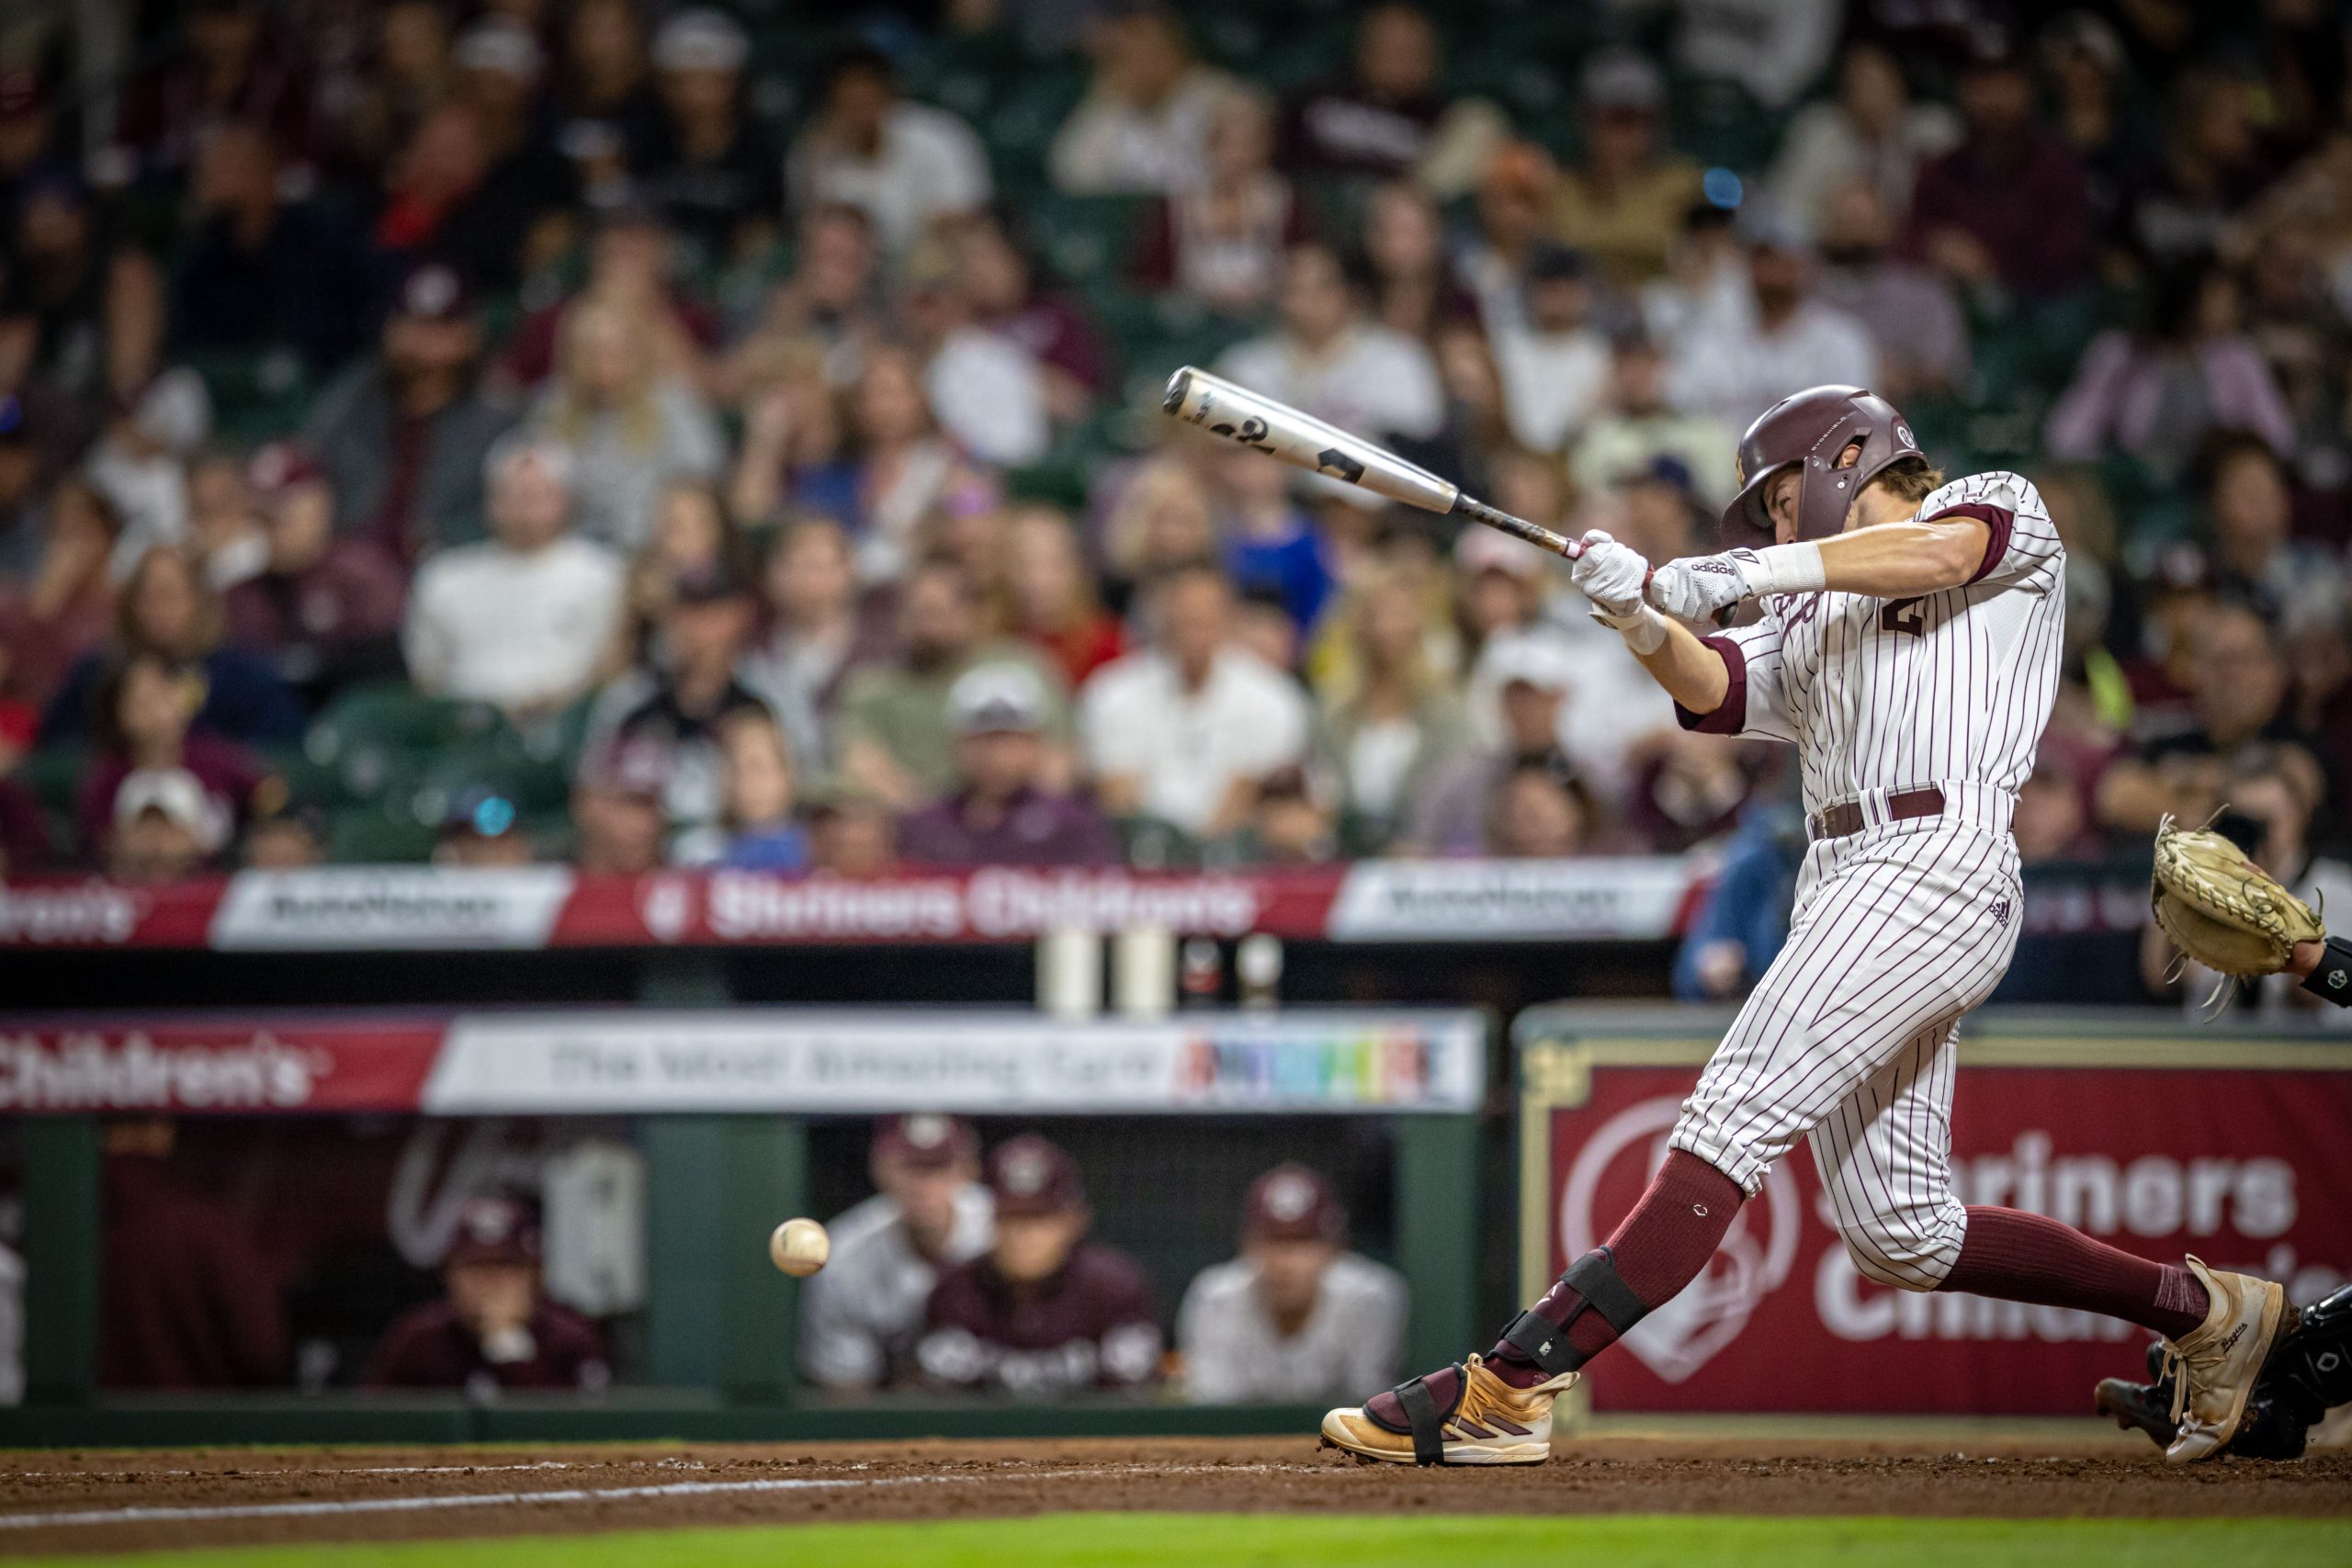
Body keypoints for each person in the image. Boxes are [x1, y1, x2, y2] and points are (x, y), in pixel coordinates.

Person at [1320, 384, 2284, 1466]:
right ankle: (2209, 1314)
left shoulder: (1992, 506)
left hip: (1934, 859)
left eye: (1780, 502)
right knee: (1899, 1230)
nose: (1775, 527)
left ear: (1846, 459)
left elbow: (1932, 559)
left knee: (1728, 1119)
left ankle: (1510, 1384)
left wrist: (1732, 573)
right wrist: (1641, 620)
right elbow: (1719, 691)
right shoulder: (1810, 604)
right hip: (1841, 874)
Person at [917, 1134, 1161, 1397]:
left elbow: (1131, 1402)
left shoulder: (1114, 1290)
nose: (1024, 1236)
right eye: (1011, 1218)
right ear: (988, 1219)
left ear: (1074, 1221)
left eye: (1040, 1218)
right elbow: (943, 1408)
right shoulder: (954, 1292)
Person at [1080, 563, 1312, 839]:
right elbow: (1117, 795)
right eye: (1185, 619)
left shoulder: (1274, 699)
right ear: (1162, 618)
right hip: (1142, 855)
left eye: (1206, 620)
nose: (1195, 633)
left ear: (1229, 620)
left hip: (1242, 860)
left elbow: (1255, 794)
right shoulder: (1112, 693)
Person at [304, 263, 517, 562]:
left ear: (470, 333)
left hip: (449, 570)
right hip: (344, 563)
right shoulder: (352, 398)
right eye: (415, 325)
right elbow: (309, 467)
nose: (426, 342)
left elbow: (496, 514)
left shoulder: (497, 416)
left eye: (442, 327)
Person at [402, 434, 627, 714]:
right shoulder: (444, 577)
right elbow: (427, 674)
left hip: (563, 726)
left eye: (536, 495)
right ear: (490, 499)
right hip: (464, 728)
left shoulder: (602, 573)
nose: (524, 509)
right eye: (512, 494)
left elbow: (608, 671)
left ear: (565, 500)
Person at [576, 561, 776, 864]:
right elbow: (592, 792)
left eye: (714, 612)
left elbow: (794, 792)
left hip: (743, 859)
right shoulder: (629, 699)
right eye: (689, 612)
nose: (701, 628)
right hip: (646, 860)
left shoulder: (769, 695)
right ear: (669, 618)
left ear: (739, 617)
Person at [836, 558, 1069, 809]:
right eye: (915, 613)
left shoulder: (1019, 666)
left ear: (970, 613)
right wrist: (937, 822)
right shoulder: (872, 688)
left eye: (936, 612)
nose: (926, 626)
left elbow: (1059, 757)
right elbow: (861, 765)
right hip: (912, 824)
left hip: (1020, 818)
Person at [1179, 1165, 1406, 1405]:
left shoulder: (1368, 1299)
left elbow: (1371, 1408)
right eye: (1273, 1240)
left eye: (1303, 1241)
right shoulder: (1215, 1300)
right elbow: (1214, 1413)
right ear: (1247, 1245)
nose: (1285, 1261)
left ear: (1334, 1247)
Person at [1216, 243, 1443, 479]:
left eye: (1322, 287)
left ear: (1352, 294)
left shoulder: (1400, 359)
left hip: (1377, 499)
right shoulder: (1246, 366)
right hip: (1282, 505)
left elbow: (1422, 451)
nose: (1308, 300)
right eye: (1294, 289)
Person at [801, 1114, 993, 1392]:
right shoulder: (846, 1256)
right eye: (910, 1166)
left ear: (968, 1170)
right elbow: (846, 1391)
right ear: (880, 1169)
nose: (924, 1184)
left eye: (939, 1166)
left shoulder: (1003, 1230)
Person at [41, 543, 304, 746]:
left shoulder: (242, 677)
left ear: (198, 600)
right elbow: (58, 745)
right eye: (146, 596)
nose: (158, 609)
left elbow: (281, 746)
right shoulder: (100, 675)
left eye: (169, 595)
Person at [527, 298, 725, 554]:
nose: (604, 360)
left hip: (655, 553)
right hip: (571, 557)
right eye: (591, 349)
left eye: (616, 348)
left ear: (639, 350)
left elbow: (703, 484)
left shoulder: (673, 404)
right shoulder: (552, 409)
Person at [1906, 36, 2094, 302]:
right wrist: (1932, 247)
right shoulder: (1940, 172)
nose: (1994, 100)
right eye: (1982, 84)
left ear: (2028, 89)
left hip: (2039, 320)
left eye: (2005, 83)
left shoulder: (2059, 170)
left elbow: (2066, 263)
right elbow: (1909, 240)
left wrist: (1988, 268)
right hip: (1956, 315)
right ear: (1962, 90)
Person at [221, 442, 408, 706]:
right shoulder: (243, 593)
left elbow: (386, 678)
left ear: (320, 507)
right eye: (262, 517)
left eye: (283, 512)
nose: (272, 529)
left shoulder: (363, 574)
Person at [363, 1196, 608, 1395]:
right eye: (474, 1265)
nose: (490, 1281)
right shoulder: (417, 1341)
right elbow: (372, 1427)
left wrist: (506, 1340)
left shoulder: (568, 1340)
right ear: (449, 1274)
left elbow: (577, 1432)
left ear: (534, 1276)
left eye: (505, 1265)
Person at [1667, 214, 1878, 434]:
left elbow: (1857, 424)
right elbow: (1682, 402)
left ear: (1803, 266)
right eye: (1762, 259)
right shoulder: (1714, 333)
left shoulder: (1841, 340)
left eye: (1781, 260)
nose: (1770, 272)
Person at [898, 661, 1118, 867]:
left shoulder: (1071, 825)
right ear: (955, 744)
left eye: (1010, 740)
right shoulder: (925, 826)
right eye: (982, 740)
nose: (996, 756)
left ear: (1036, 744)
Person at [1275, 3, 1501, 197]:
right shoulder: (1317, 97)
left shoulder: (1444, 119)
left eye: (1410, 50)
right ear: (1363, 48)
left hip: (1399, 227)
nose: (1397, 60)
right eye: (1387, 45)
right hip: (1312, 212)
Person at [787, 45, 989, 256]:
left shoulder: (939, 137)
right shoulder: (814, 154)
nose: (861, 116)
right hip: (859, 273)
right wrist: (815, 166)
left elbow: (968, 220)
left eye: (867, 101)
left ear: (888, 94)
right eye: (849, 104)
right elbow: (813, 237)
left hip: (938, 267)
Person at [1131, 89, 1308, 320]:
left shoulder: (1286, 200)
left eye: (1249, 144)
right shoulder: (1175, 204)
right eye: (1226, 142)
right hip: (1191, 320)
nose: (1238, 155)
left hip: (1270, 317)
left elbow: (1304, 267)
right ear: (1208, 145)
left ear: (1266, 147)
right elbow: (1151, 279)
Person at [627, 9, 784, 265]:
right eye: (684, 81)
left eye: (709, 81)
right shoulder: (646, 137)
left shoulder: (760, 148)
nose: (697, 95)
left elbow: (763, 233)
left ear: (734, 83)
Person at [1766, 42, 1960, 244]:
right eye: (1857, 85)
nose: (1868, 97)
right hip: (1828, 253)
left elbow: (1953, 210)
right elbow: (1784, 209)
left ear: (1902, 86)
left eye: (1878, 84)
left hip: (1912, 255)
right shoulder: (1817, 129)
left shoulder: (1934, 131)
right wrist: (1834, 223)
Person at [1546, 52, 1702, 288]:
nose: (1631, 133)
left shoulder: (1686, 185)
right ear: (1585, 119)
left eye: (1643, 119)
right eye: (1618, 118)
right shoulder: (1557, 185)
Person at [1048, 7, 1235, 196]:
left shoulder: (1214, 95)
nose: (1143, 68)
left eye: (1152, 54)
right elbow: (1072, 175)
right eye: (1128, 58)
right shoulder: (1104, 110)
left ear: (1176, 53)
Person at [1489, 243, 1610, 456]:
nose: (1557, 301)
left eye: (1566, 289)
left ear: (1584, 294)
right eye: (1549, 289)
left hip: (1574, 460)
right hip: (1514, 457)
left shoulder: (1599, 353)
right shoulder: (1507, 347)